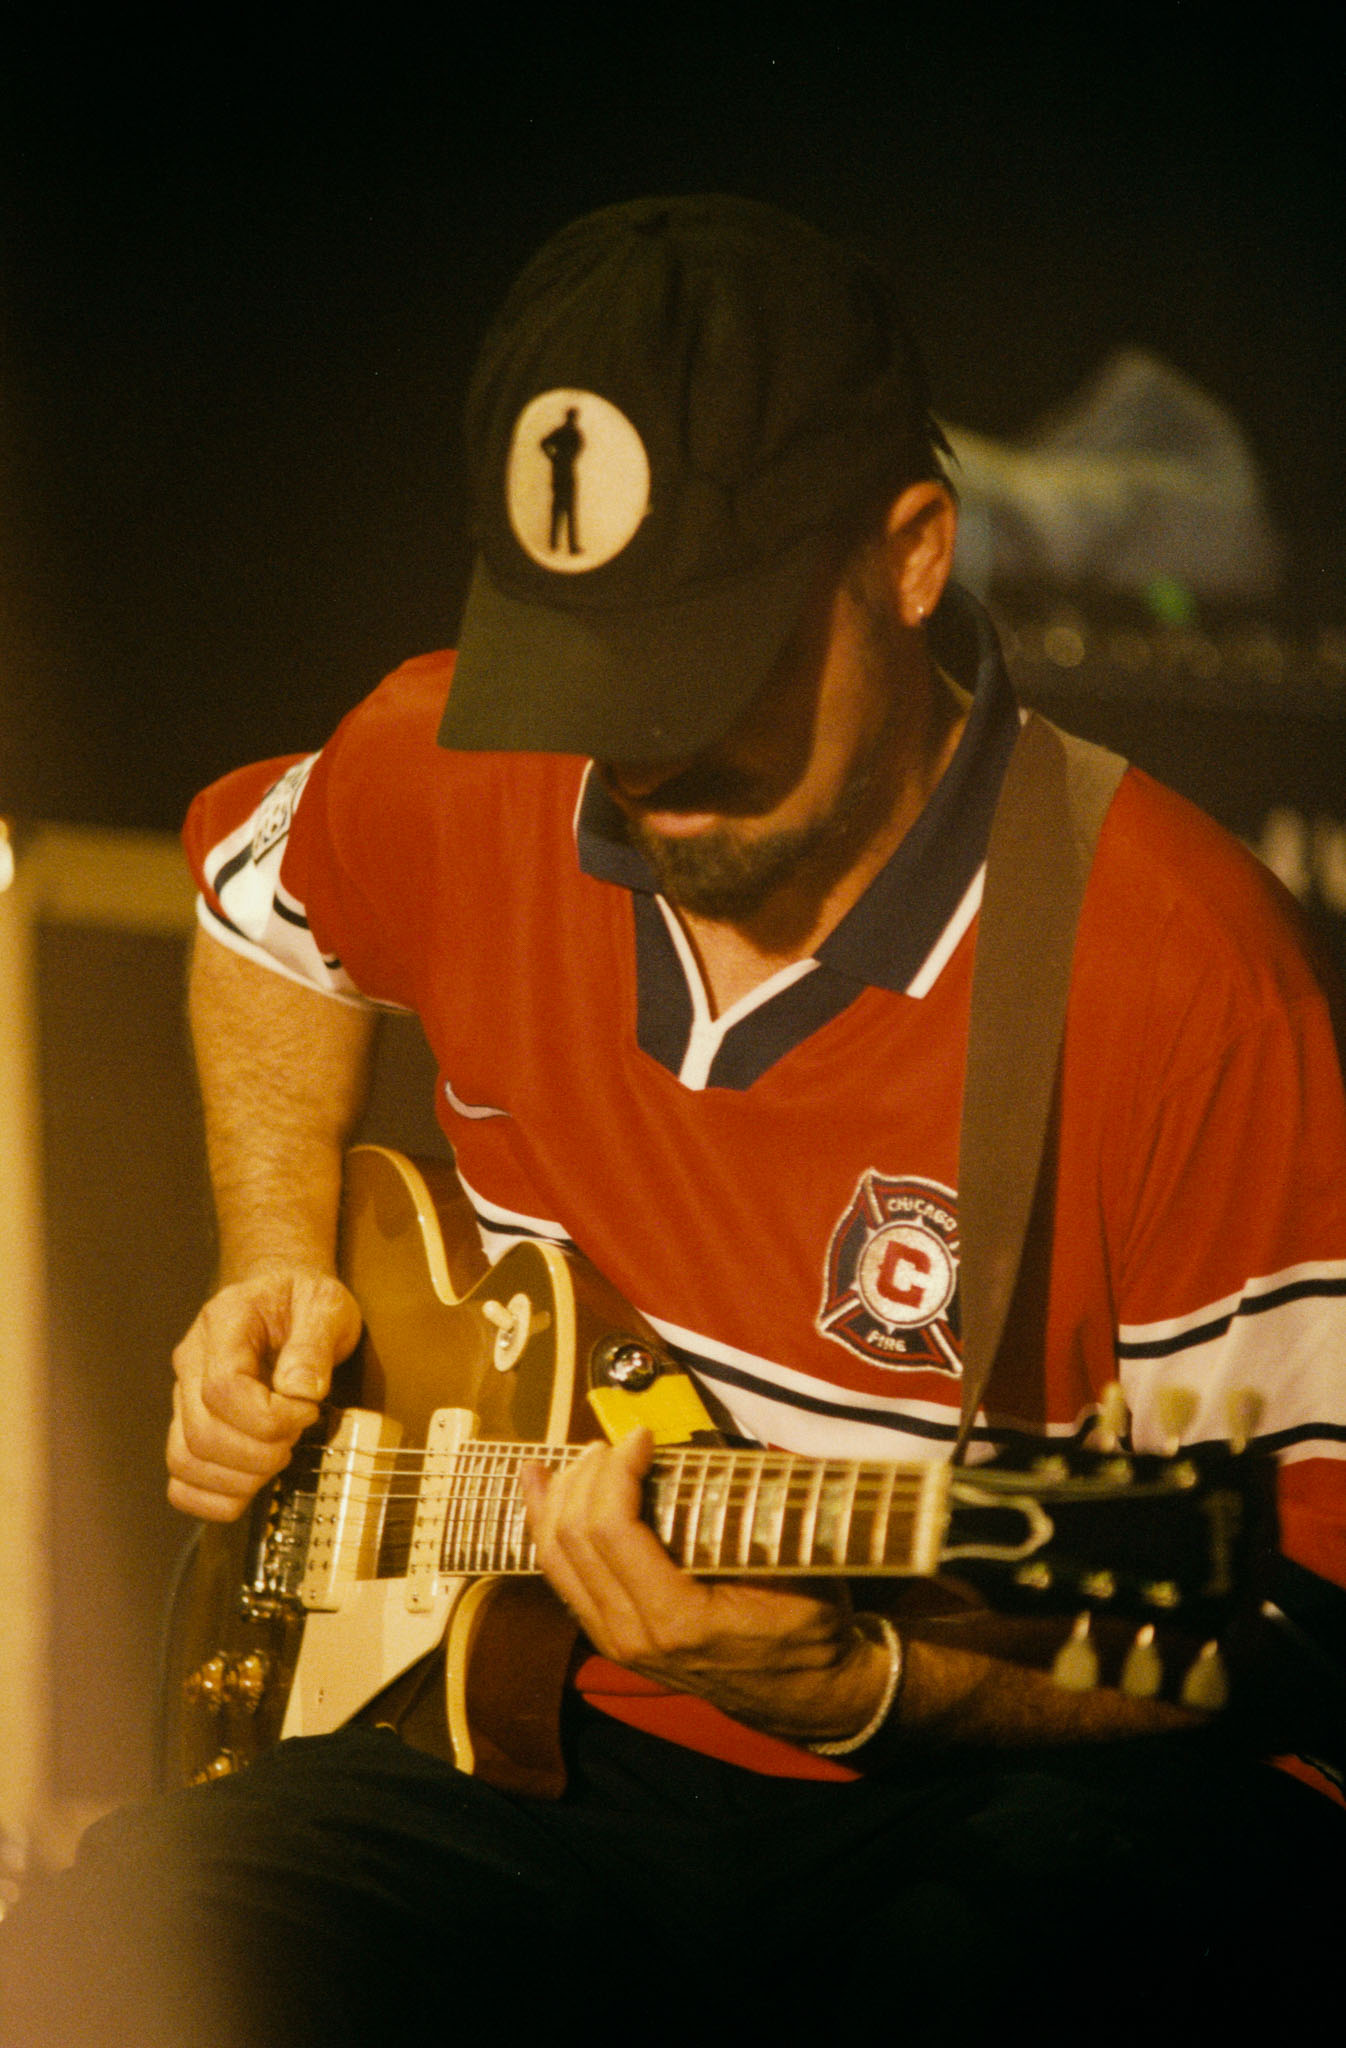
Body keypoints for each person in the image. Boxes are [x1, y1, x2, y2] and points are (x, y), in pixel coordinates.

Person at [3, 193, 1345, 2044]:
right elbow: (263, 918)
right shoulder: (461, 759)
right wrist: (272, 1263)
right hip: (513, 1740)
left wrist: (865, 1685)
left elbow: (1293, 1612)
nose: (648, 754)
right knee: (134, 1941)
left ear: (910, 557)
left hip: (977, 1779)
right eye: (592, 667)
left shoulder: (1183, 970)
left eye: (713, 662)